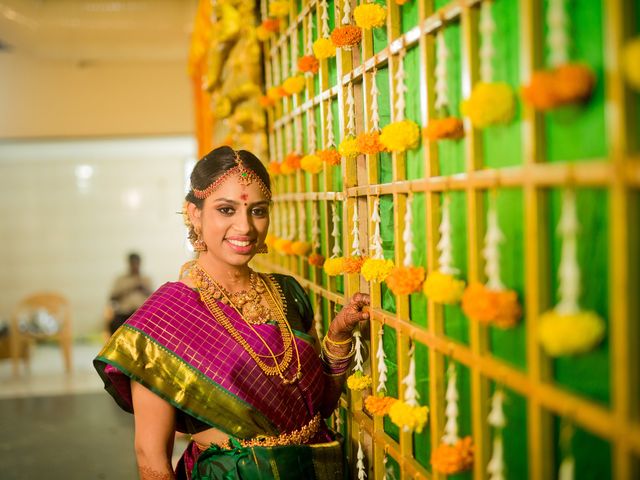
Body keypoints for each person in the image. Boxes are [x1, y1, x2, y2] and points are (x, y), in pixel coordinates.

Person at [94, 146, 370, 480]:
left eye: (257, 211)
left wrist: (339, 336)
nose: (245, 227)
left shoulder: (288, 293)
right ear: (193, 213)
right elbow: (150, 456)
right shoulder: (165, 318)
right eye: (226, 210)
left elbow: (321, 407)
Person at [107, 252, 153, 335]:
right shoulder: (121, 279)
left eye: (137, 263)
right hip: (124, 313)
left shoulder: (146, 279)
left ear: (140, 264)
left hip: (142, 313)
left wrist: (143, 289)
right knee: (113, 324)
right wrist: (128, 290)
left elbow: (154, 298)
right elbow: (112, 298)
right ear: (129, 264)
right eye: (133, 263)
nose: (135, 266)